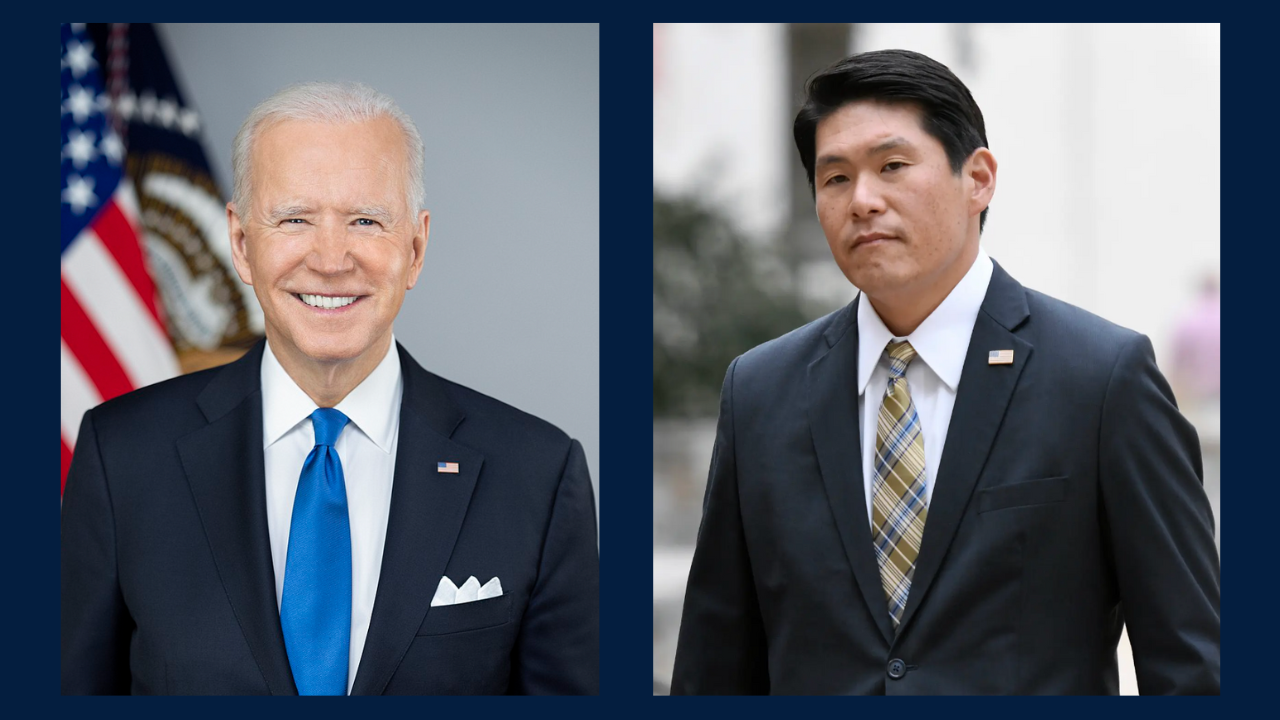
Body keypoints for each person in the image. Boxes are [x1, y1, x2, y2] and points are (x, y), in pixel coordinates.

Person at [670, 49, 1219, 695]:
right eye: (835, 178)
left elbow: (1190, 664)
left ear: (978, 178)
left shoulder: (1101, 378)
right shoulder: (759, 390)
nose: (863, 200)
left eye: (893, 166)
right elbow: (715, 662)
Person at [61, 81, 599, 695]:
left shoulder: (536, 472)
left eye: (365, 221)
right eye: (295, 219)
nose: (331, 258)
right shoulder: (121, 455)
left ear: (416, 247)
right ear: (241, 244)